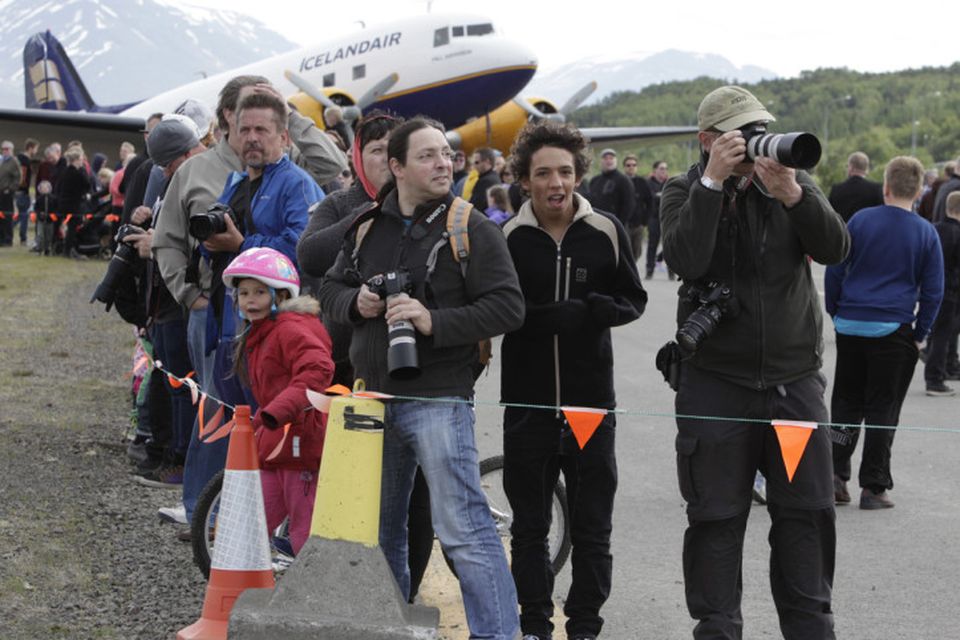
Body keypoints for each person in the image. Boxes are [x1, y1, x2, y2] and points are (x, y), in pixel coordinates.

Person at [318, 117, 523, 640]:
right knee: (379, 533)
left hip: (439, 399)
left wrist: (435, 321)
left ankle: (497, 636)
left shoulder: (471, 226)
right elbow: (328, 292)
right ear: (397, 167)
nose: (443, 165)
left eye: (446, 155)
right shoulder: (366, 226)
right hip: (372, 401)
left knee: (466, 531)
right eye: (428, 156)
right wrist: (357, 302)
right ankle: (389, 629)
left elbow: (508, 307)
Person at [660, 85, 850, 639]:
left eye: (758, 128)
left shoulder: (787, 183)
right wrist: (713, 186)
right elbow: (686, 258)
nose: (752, 143)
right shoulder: (683, 189)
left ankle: (812, 630)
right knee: (716, 522)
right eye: (738, 134)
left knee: (806, 521)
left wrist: (794, 195)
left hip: (793, 385)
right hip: (716, 384)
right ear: (707, 141)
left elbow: (837, 250)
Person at [152, 74, 346, 533]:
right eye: (245, 130)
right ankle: (233, 519)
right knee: (231, 421)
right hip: (232, 322)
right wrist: (208, 256)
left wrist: (242, 242)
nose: (253, 139)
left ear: (282, 135)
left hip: (280, 328)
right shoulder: (238, 180)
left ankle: (282, 531)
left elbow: (302, 253)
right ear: (229, 132)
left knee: (277, 427)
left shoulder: (296, 185)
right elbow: (208, 244)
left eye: (263, 130)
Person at [500, 121, 647, 640]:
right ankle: (535, 624)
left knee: (592, 528)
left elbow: (635, 299)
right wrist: (543, 318)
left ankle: (585, 625)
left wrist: (601, 310)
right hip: (529, 404)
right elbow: (496, 310)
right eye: (543, 173)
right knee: (529, 529)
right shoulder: (509, 237)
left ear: (579, 174)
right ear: (524, 180)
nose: (555, 182)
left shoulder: (605, 229)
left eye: (564, 171)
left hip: (590, 405)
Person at [827, 156, 943, 510]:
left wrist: (836, 310)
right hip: (893, 328)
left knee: (846, 402)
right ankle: (874, 487)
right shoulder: (925, 231)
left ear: (886, 187)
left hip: (851, 324)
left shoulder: (861, 220)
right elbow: (933, 290)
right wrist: (920, 333)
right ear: (920, 192)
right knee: (883, 407)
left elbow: (836, 267)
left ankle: (835, 476)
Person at [222, 247, 334, 555]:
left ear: (281, 296)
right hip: (275, 444)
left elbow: (318, 370)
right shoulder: (262, 330)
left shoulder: (291, 328)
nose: (250, 300)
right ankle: (242, 587)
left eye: (260, 291)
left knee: (303, 530)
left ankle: (309, 596)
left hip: (300, 444)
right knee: (254, 520)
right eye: (243, 293)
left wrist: (276, 411)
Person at [925, 191, 960, 396]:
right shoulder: (957, 233)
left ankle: (938, 370)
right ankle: (935, 378)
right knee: (943, 335)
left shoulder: (935, 229)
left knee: (937, 332)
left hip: (934, 288)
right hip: (952, 291)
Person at [587, 148, 635, 233]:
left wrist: (618, 225)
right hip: (596, 227)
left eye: (611, 158)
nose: (608, 160)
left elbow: (629, 205)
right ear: (601, 161)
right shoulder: (595, 180)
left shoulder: (624, 180)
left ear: (615, 161)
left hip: (616, 227)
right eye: (605, 158)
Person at [827, 151, 883, 223]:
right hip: (866, 233)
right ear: (867, 169)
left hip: (842, 233)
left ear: (850, 167)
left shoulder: (836, 190)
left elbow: (830, 216)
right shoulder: (876, 190)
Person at [623, 153, 653, 260]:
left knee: (637, 251)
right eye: (628, 165)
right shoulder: (620, 181)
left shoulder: (642, 182)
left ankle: (632, 268)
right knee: (625, 250)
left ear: (637, 167)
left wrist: (645, 220)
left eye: (633, 165)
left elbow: (650, 202)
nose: (631, 167)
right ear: (624, 167)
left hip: (638, 223)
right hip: (624, 222)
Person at [645, 160, 671, 279]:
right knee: (652, 245)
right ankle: (649, 270)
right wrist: (660, 196)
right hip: (653, 217)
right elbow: (650, 198)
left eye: (665, 168)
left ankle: (671, 271)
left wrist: (659, 196)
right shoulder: (648, 183)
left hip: (667, 217)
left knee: (670, 245)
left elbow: (672, 197)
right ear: (655, 170)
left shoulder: (669, 183)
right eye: (661, 168)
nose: (663, 171)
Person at [15, 138, 38, 246]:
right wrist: (23, 188)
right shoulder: (24, 161)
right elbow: (23, 178)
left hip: (22, 191)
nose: (36, 151)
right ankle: (23, 238)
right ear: (30, 148)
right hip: (22, 191)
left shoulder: (21, 159)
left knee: (21, 215)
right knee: (23, 215)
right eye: (36, 148)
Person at [467, 146, 501, 212]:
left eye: (477, 162)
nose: (474, 166)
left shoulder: (486, 181)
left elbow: (477, 206)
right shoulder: (493, 177)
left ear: (487, 162)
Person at [0, 141, 21, 246]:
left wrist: (11, 189)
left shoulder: (14, 162)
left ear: (11, 150)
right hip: (0, 192)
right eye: (3, 149)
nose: (5, 151)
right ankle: (1, 238)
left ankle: (8, 239)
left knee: (7, 216)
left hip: (7, 192)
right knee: (1, 216)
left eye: (7, 149)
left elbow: (18, 178)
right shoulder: (2, 160)